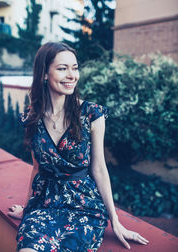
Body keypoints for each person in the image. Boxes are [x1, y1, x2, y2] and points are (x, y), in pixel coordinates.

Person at [8, 42, 149, 252]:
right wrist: (28, 207)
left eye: (75, 68)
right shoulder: (31, 118)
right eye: (62, 68)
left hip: (83, 205)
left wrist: (116, 220)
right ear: (44, 74)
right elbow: (37, 168)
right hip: (45, 203)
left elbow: (99, 169)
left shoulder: (91, 114)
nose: (72, 75)